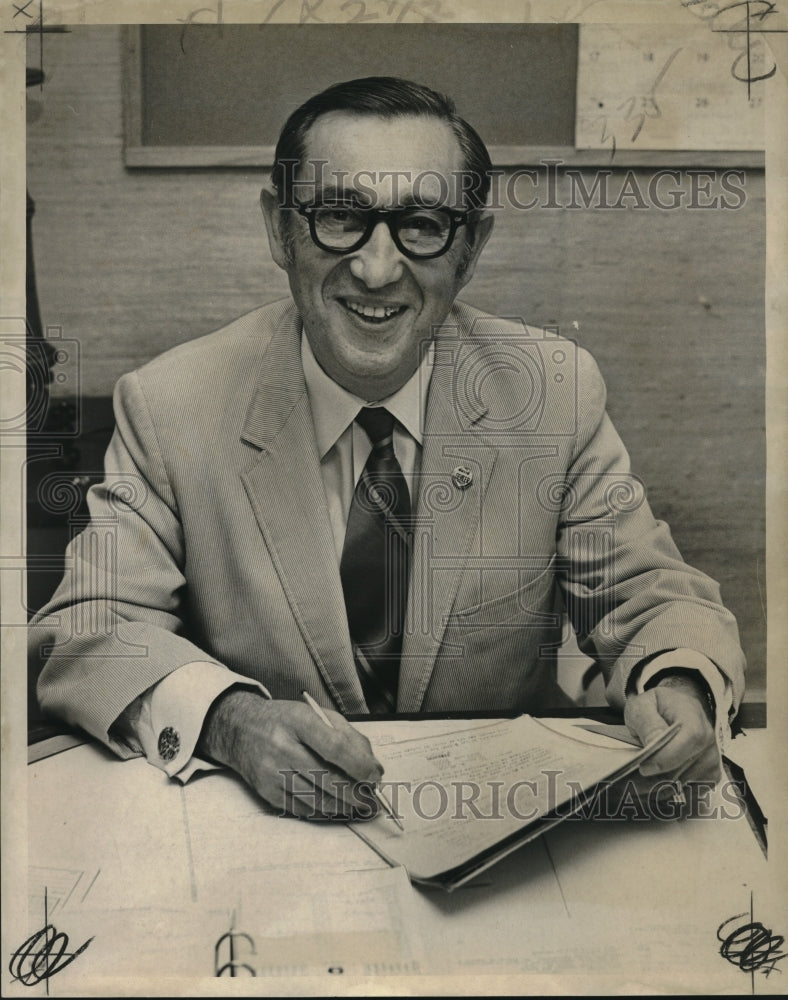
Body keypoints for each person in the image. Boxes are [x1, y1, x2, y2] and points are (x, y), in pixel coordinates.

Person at [31, 77, 745, 820]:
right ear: (280, 229)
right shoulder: (170, 404)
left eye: (424, 223)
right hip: (264, 838)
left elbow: (648, 591)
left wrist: (680, 682)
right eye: (340, 216)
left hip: (501, 835)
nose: (377, 268)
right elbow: (89, 628)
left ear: (469, 248)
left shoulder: (553, 392)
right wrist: (228, 724)